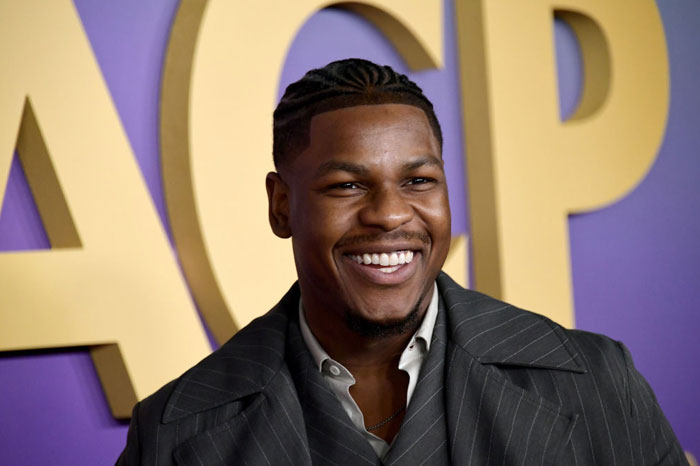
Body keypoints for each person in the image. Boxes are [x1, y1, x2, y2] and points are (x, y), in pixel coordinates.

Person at [117, 58, 687, 465]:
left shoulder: (597, 384)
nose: (390, 215)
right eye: (346, 185)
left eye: (418, 180)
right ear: (281, 205)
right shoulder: (174, 432)